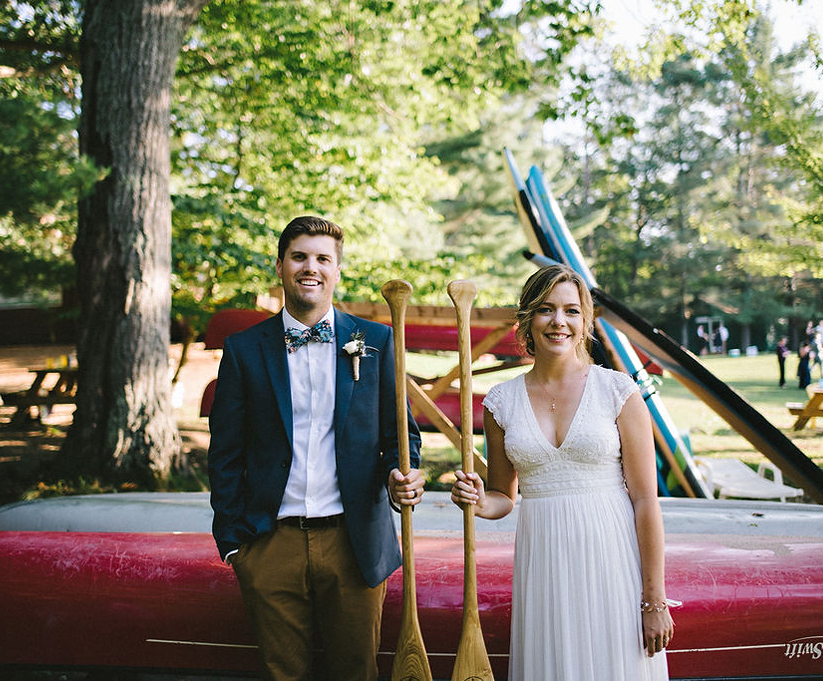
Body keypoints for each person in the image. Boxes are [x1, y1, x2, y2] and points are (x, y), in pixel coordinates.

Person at [208, 216, 426, 681]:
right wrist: (233, 544)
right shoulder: (244, 349)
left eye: (323, 258)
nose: (312, 267)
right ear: (281, 266)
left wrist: (398, 475)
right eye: (300, 257)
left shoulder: (376, 342)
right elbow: (224, 451)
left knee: (356, 672)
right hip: (270, 542)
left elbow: (400, 436)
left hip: (355, 540)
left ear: (337, 270)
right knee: (280, 673)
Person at [450, 263, 674, 679]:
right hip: (543, 561)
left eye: (571, 311)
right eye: (546, 309)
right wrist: (479, 501)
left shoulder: (618, 392)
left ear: (585, 320)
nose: (558, 321)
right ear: (527, 319)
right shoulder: (501, 402)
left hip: (612, 558)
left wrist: (654, 600)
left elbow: (645, 501)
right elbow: (504, 496)